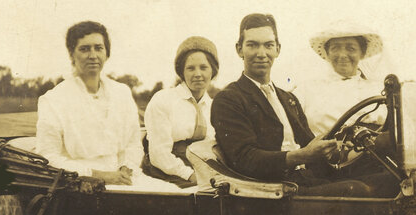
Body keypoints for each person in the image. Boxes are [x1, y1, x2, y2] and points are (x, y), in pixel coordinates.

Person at [211, 13, 371, 196]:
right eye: (252, 45)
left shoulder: (288, 99)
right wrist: (303, 155)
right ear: (239, 49)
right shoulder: (228, 99)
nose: (261, 53)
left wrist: (333, 151)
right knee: (357, 191)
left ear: (277, 50)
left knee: (388, 181)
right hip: (274, 192)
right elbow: (245, 159)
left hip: (307, 180)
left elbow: (310, 145)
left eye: (268, 45)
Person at [35, 21, 141, 186]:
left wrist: (126, 168)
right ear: (71, 54)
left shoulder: (122, 92)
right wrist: (98, 175)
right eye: (84, 49)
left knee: (175, 198)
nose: (93, 55)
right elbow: (48, 157)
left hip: (125, 178)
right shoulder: (54, 100)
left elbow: (133, 143)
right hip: (78, 183)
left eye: (98, 48)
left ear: (107, 53)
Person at [142, 36, 219, 188]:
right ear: (182, 72)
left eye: (203, 67)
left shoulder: (214, 106)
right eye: (190, 68)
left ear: (213, 71)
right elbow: (159, 154)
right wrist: (190, 175)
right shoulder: (163, 100)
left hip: (202, 171)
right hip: (165, 173)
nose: (197, 74)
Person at [297, 21, 386, 136]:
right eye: (335, 48)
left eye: (351, 48)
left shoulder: (377, 89)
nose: (343, 55)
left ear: (362, 53)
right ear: (327, 53)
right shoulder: (306, 90)